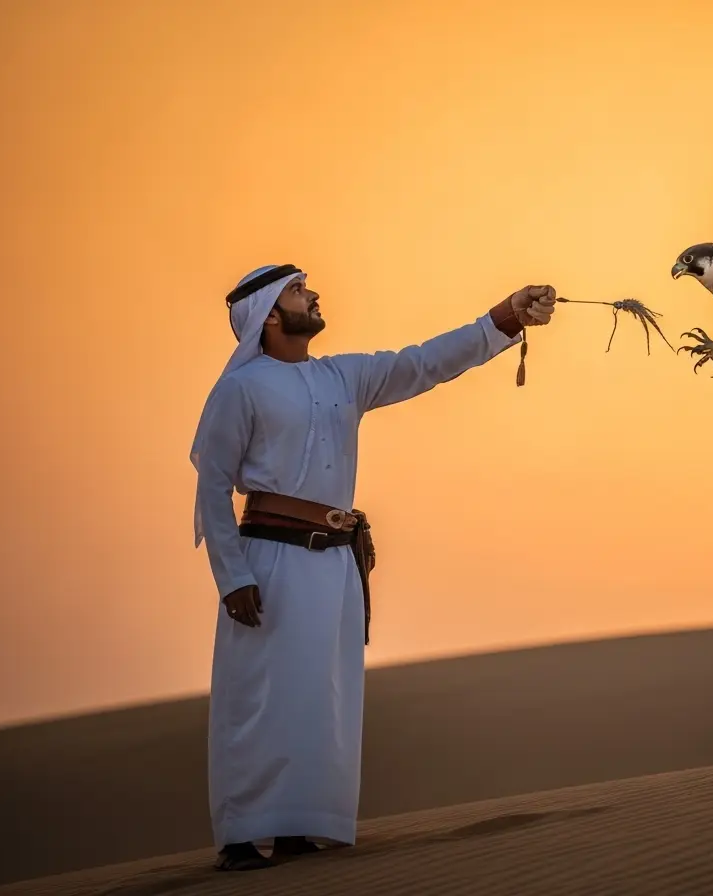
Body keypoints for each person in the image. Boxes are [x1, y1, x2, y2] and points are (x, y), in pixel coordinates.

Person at [189, 264, 557, 871]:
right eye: (299, 291)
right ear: (270, 316)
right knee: (254, 697)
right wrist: (232, 577)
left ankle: (295, 828)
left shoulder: (343, 375)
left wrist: (506, 316)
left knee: (318, 698)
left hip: (332, 563)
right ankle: (240, 835)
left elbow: (423, 363)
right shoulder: (242, 390)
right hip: (268, 562)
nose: (314, 295)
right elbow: (212, 490)